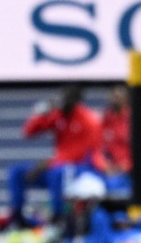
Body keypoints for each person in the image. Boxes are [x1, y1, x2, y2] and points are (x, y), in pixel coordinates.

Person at [8, 85, 102, 222]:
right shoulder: (58, 115)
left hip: (80, 169)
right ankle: (18, 218)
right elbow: (28, 132)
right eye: (62, 96)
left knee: (57, 174)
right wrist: (41, 111)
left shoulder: (88, 119)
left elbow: (81, 153)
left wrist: (49, 164)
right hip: (57, 166)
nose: (64, 100)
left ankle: (58, 219)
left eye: (68, 98)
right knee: (17, 172)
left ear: (77, 100)